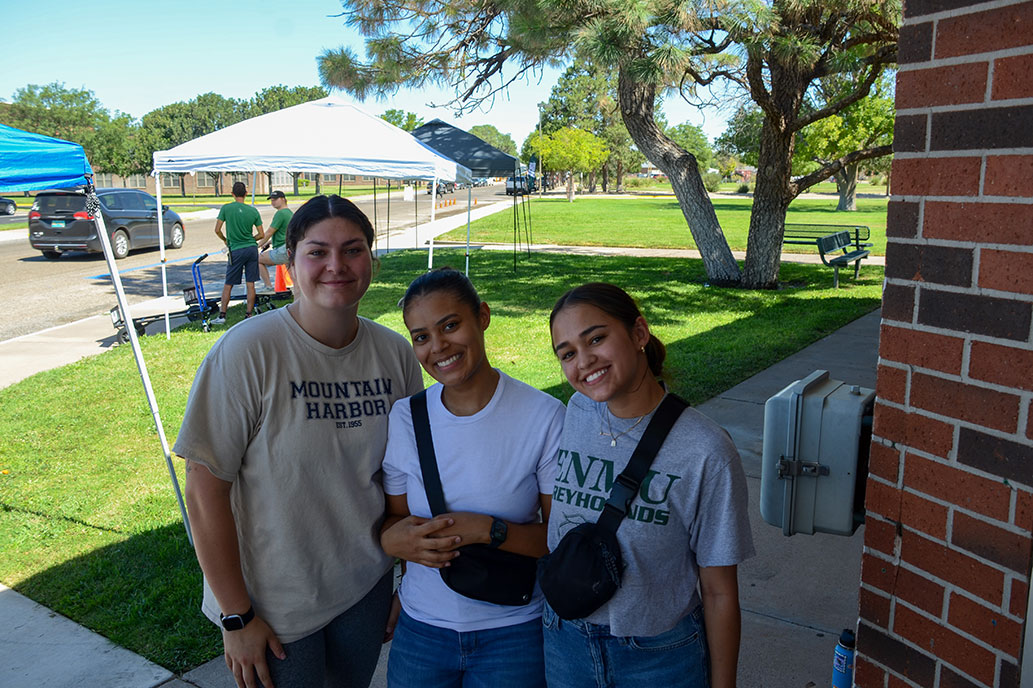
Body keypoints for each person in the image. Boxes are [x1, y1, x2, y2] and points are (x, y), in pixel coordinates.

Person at [175, 194, 424, 688]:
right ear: (291, 260)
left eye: (353, 250)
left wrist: (408, 584)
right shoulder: (247, 351)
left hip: (364, 585)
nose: (337, 265)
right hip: (272, 601)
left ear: (371, 259)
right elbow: (204, 494)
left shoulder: (395, 354)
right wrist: (236, 616)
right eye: (317, 252)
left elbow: (409, 478)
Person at [544, 283, 755, 688]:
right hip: (565, 638)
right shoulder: (578, 411)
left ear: (639, 334)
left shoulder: (705, 450)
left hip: (658, 653)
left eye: (597, 338)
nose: (584, 361)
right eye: (567, 353)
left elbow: (719, 592)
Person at [380, 268, 565, 688]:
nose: (438, 347)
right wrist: (391, 541)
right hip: (422, 630)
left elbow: (559, 538)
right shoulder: (407, 418)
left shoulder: (543, 416)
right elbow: (395, 520)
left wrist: (487, 530)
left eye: (450, 325)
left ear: (481, 316)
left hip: (514, 630)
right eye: (421, 336)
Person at [213, 181, 263, 324]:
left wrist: (225, 240)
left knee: (229, 283)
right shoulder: (253, 211)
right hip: (252, 249)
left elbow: (217, 229)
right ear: (246, 194)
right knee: (250, 283)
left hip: (236, 249)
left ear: (232, 194)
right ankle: (249, 314)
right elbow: (261, 234)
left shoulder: (226, 208)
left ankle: (222, 315)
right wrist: (251, 239)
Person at [259, 190, 292, 291]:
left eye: (275, 199)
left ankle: (268, 287)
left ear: (283, 199)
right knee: (292, 273)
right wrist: (270, 242)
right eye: (272, 200)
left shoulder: (280, 214)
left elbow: (269, 232)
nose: (273, 202)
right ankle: (299, 292)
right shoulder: (289, 213)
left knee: (257, 259)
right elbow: (284, 233)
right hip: (289, 247)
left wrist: (257, 244)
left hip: (282, 249)